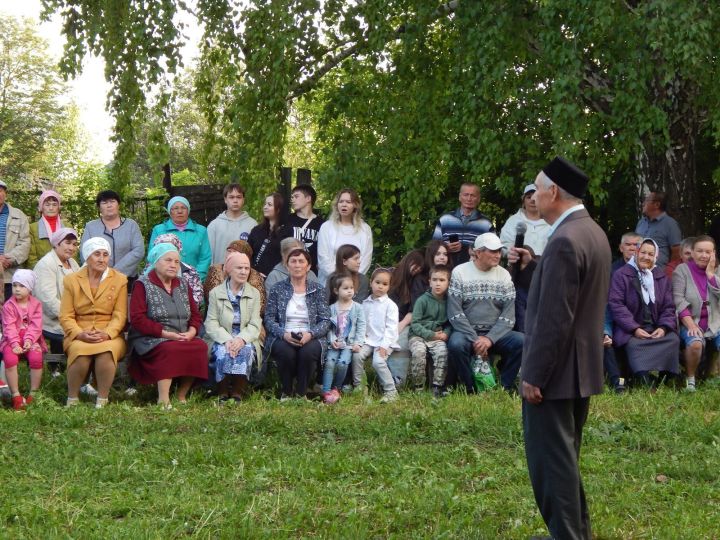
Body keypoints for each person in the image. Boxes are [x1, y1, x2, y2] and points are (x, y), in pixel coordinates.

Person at [519, 157, 611, 540]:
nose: (534, 196)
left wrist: (533, 375)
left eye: (538, 189)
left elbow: (555, 319)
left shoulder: (565, 240)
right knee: (565, 464)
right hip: (580, 369)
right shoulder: (592, 232)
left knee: (552, 470)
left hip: (555, 376)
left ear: (553, 191)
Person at [128, 243, 208, 408]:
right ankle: (163, 399)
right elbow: (137, 319)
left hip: (182, 335)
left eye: (177, 262)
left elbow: (195, 314)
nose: (173, 265)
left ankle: (181, 395)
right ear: (156, 261)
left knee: (199, 346)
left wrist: (192, 331)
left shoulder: (183, 284)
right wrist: (166, 334)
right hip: (151, 337)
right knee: (169, 349)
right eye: (168, 260)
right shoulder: (143, 284)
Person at [447, 233, 523, 393]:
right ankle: (470, 388)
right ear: (478, 252)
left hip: (495, 334)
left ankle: (504, 387)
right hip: (467, 332)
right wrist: (476, 339)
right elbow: (455, 313)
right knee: (456, 344)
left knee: (522, 341)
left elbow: (509, 316)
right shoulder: (459, 272)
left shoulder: (504, 275)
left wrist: (489, 339)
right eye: (493, 251)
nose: (498, 255)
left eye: (499, 251)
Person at [59, 237, 128, 408]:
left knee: (107, 352)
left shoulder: (120, 279)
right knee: (80, 353)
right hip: (80, 332)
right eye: (97, 254)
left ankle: (102, 400)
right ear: (87, 257)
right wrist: (79, 333)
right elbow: (66, 316)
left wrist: (107, 333)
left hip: (109, 333)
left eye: (105, 255)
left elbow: (120, 315)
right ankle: (72, 399)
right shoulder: (71, 280)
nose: (102, 259)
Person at [609, 238, 679, 386]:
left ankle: (663, 379)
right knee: (635, 345)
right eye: (643, 252)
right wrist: (634, 328)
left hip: (655, 327)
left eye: (651, 254)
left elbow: (668, 307)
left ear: (656, 257)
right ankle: (643, 379)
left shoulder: (661, 277)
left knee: (672, 340)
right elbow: (617, 305)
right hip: (630, 329)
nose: (646, 257)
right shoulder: (621, 275)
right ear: (637, 253)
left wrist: (663, 327)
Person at [264, 248, 330, 399]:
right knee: (286, 352)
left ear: (308, 266)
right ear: (287, 266)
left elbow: (325, 320)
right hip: (284, 334)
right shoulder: (277, 289)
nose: (297, 265)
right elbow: (268, 318)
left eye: (301, 261)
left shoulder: (318, 289)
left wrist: (311, 334)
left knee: (308, 352)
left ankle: (301, 393)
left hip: (310, 335)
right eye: (293, 261)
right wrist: (284, 334)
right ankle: (286, 392)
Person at [205, 252, 263, 402]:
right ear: (229, 270)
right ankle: (223, 393)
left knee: (247, 350)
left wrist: (242, 339)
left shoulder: (254, 293)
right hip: (222, 335)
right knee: (222, 351)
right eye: (239, 268)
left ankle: (238, 393)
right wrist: (226, 340)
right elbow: (211, 322)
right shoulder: (215, 293)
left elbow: (255, 323)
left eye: (247, 268)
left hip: (245, 335)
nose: (244, 272)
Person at [672, 235, 720, 392]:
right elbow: (678, 300)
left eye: (708, 252)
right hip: (691, 320)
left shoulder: (718, 270)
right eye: (699, 251)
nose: (704, 255)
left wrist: (711, 275)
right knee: (695, 344)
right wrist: (691, 324)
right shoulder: (682, 270)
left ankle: (714, 375)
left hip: (715, 322)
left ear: (713, 253)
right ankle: (691, 378)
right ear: (692, 252)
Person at [0, 270, 47, 410]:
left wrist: (29, 340)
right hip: (11, 339)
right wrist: (14, 344)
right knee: (10, 358)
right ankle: (16, 395)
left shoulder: (36, 304)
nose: (17, 289)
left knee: (36, 357)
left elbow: (36, 326)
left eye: (22, 286)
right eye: (14, 285)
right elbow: (8, 327)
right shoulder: (9, 306)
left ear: (30, 288)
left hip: (32, 339)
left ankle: (34, 393)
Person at [81, 190, 145, 287]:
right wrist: (102, 272)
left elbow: (138, 250)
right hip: (99, 280)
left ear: (118, 204)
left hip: (128, 280)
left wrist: (113, 272)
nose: (109, 205)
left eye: (112, 201)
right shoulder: (91, 227)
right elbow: (84, 252)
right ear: (99, 207)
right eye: (104, 203)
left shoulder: (131, 225)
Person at [354, 268, 400, 402]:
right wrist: (359, 341)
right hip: (368, 340)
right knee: (357, 356)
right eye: (377, 282)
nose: (380, 286)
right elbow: (361, 324)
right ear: (371, 282)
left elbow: (391, 328)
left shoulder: (391, 305)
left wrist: (384, 345)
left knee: (378, 362)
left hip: (385, 341)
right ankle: (361, 388)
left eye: (385, 284)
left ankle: (391, 391)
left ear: (389, 286)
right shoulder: (364, 303)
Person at [33, 228, 81, 356]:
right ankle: (57, 370)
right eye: (67, 243)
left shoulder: (72, 263)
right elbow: (48, 301)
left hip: (74, 316)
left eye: (74, 244)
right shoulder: (45, 265)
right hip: (52, 322)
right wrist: (71, 317)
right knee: (83, 337)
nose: (71, 247)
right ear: (56, 243)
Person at [321, 272, 366, 404]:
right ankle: (325, 391)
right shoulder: (331, 309)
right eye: (345, 288)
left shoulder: (358, 308)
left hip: (349, 344)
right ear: (336, 290)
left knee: (342, 363)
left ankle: (336, 388)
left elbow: (361, 326)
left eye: (351, 288)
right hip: (335, 343)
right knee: (329, 362)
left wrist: (358, 343)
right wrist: (331, 340)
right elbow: (328, 327)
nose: (349, 291)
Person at [408, 265, 452, 396]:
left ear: (448, 283)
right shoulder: (422, 300)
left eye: (442, 280)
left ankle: (437, 387)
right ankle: (419, 387)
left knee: (442, 352)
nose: (438, 283)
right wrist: (431, 335)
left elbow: (450, 323)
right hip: (418, 335)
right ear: (429, 281)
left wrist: (446, 334)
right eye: (435, 280)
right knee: (419, 352)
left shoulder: (449, 302)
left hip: (438, 336)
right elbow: (415, 323)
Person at [317, 188, 373, 284]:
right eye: (341, 201)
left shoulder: (365, 229)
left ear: (355, 205)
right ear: (336, 205)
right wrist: (337, 279)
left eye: (348, 202)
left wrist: (351, 279)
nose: (344, 204)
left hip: (355, 284)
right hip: (330, 282)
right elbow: (323, 257)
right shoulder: (326, 227)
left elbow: (365, 259)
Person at [149, 196, 212, 280]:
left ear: (188, 211)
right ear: (170, 211)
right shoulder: (158, 230)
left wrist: (197, 277)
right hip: (166, 280)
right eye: (175, 208)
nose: (179, 211)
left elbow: (205, 257)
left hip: (195, 280)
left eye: (183, 208)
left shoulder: (201, 231)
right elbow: (153, 256)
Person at [432, 182, 494, 267]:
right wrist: (446, 248)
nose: (469, 198)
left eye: (473, 195)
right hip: (446, 270)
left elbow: (493, 250)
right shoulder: (445, 219)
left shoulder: (486, 224)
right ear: (460, 197)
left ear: (478, 199)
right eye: (466, 195)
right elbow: (433, 246)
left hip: (474, 271)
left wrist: (471, 249)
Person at [204, 240, 266, 314]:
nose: (230, 254)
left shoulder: (254, 275)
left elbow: (260, 305)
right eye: (229, 251)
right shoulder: (215, 270)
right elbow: (211, 298)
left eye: (235, 252)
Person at [149, 233, 205, 311]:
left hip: (186, 316)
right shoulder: (147, 272)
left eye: (171, 248)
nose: (168, 251)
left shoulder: (190, 271)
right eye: (163, 249)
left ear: (178, 250)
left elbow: (197, 298)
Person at [206, 183, 258, 265]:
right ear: (225, 199)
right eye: (231, 197)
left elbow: (256, 253)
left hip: (244, 273)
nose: (235, 200)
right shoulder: (214, 225)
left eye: (239, 197)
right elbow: (208, 255)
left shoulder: (252, 224)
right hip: (221, 274)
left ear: (243, 199)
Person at [499, 183, 550, 256]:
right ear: (523, 201)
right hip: (518, 265)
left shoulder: (551, 221)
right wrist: (513, 252)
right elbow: (504, 245)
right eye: (529, 197)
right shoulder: (513, 221)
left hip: (545, 266)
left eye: (536, 197)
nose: (532, 201)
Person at [635, 191, 682, 271]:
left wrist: (669, 271)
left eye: (646, 200)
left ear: (657, 205)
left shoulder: (670, 224)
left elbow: (676, 251)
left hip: (658, 274)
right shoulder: (641, 222)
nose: (643, 204)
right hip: (637, 271)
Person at [0, 179, 30, 301]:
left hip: (11, 277)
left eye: (0, 190)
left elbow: (25, 242)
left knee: (10, 316)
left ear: (5, 193)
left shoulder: (19, 215)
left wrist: (7, 259)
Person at [285, 184, 325, 273]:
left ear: (308, 199)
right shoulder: (287, 220)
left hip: (312, 273)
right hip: (289, 271)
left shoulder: (322, 224)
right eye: (292, 197)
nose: (292, 200)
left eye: (296, 196)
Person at [247, 192, 288, 278]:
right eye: (265, 204)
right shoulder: (256, 230)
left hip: (276, 279)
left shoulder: (287, 232)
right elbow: (247, 254)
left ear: (278, 208)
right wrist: (252, 272)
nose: (265, 207)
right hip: (254, 278)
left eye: (269, 204)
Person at [27, 190, 67, 269]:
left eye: (54, 205)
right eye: (47, 205)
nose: (51, 208)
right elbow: (31, 257)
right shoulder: (32, 228)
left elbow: (73, 252)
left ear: (59, 207)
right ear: (41, 207)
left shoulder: (67, 227)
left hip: (65, 270)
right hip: (41, 271)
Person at [410, 239, 452, 306]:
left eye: (445, 254)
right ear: (431, 256)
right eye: (438, 254)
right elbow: (416, 305)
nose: (442, 257)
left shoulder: (452, 276)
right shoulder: (420, 278)